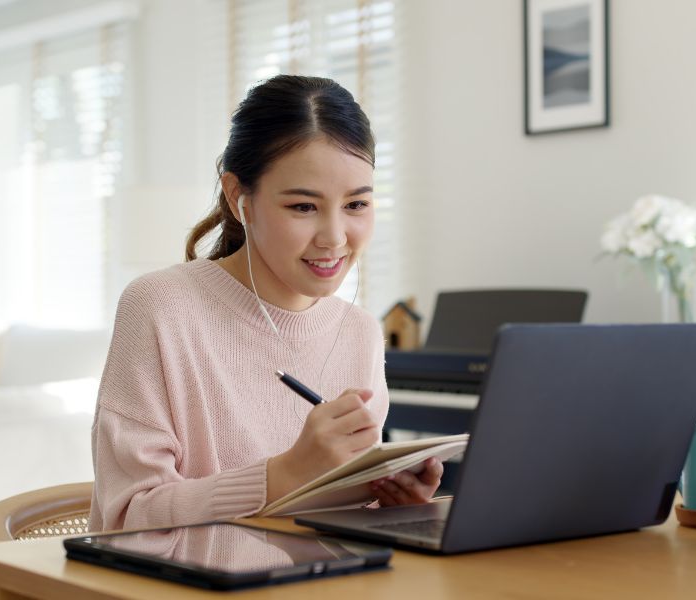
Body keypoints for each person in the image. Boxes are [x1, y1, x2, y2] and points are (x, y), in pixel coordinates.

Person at [89, 75, 442, 532]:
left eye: (356, 205)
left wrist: (389, 506)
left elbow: (327, 527)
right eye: (303, 207)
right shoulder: (161, 307)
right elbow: (125, 519)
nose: (335, 238)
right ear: (239, 198)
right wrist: (285, 474)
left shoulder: (360, 332)